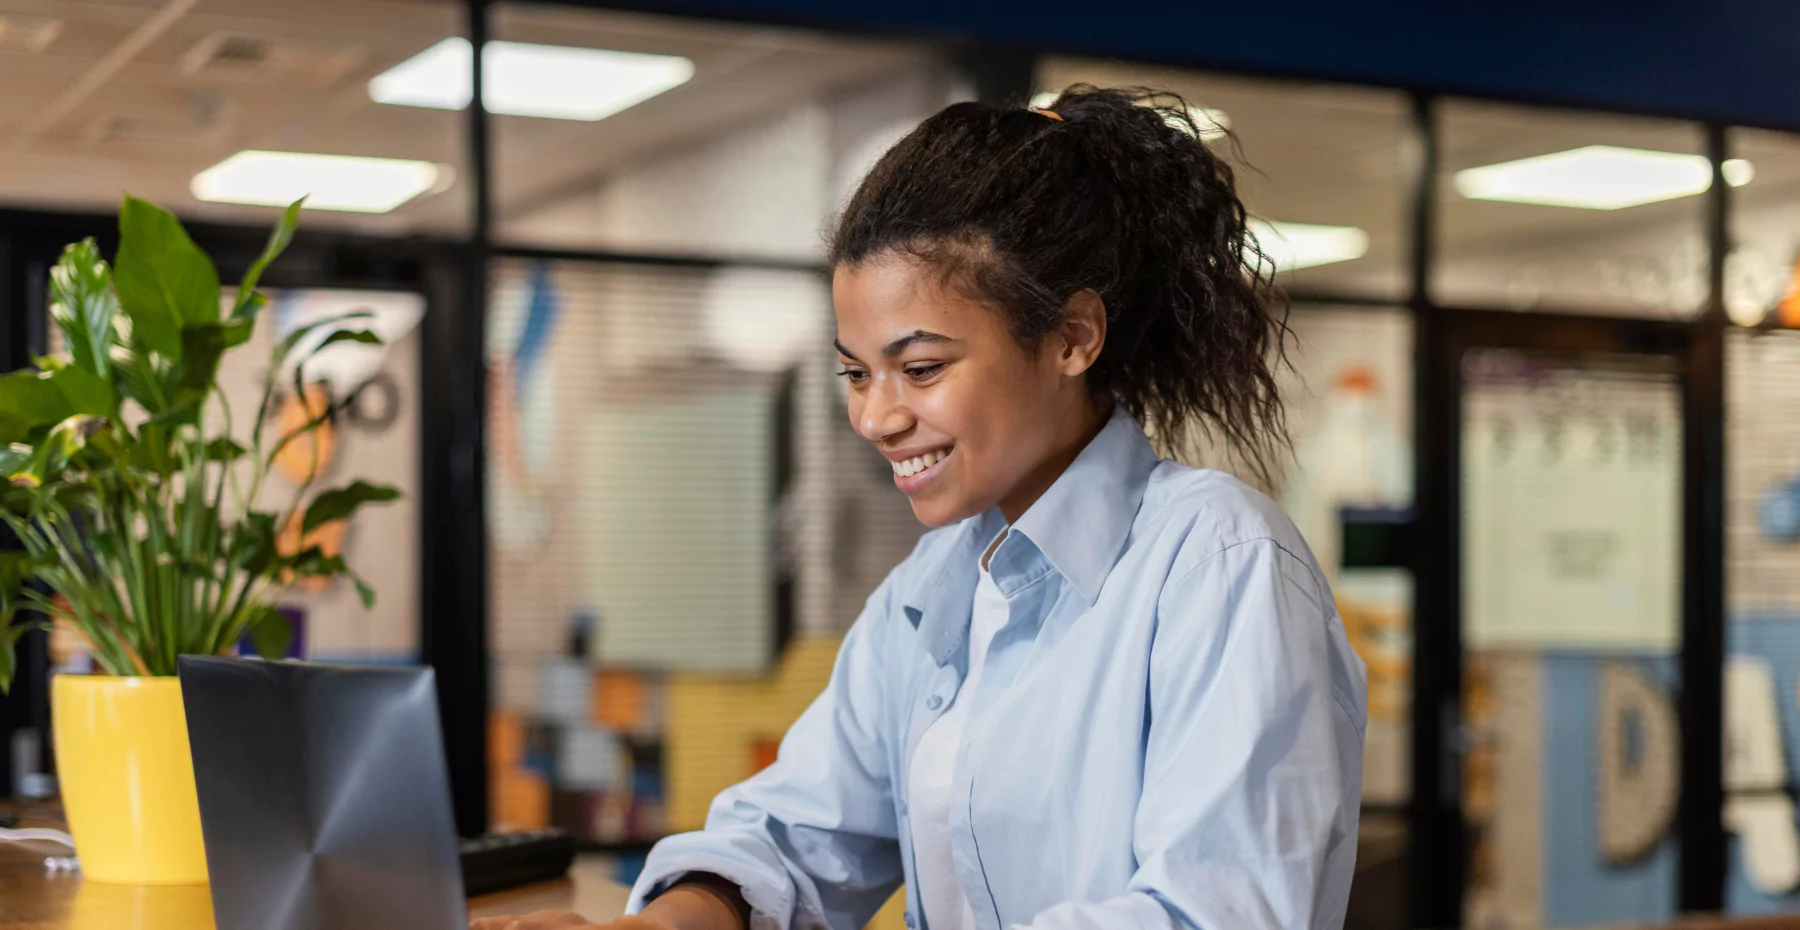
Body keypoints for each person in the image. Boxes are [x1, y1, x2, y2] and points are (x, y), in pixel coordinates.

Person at [474, 86, 1367, 930]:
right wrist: (675, 920)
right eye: (856, 372)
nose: (875, 416)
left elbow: (1206, 914)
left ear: (1072, 336)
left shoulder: (1220, 565)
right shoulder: (936, 584)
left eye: (923, 367)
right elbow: (794, 833)